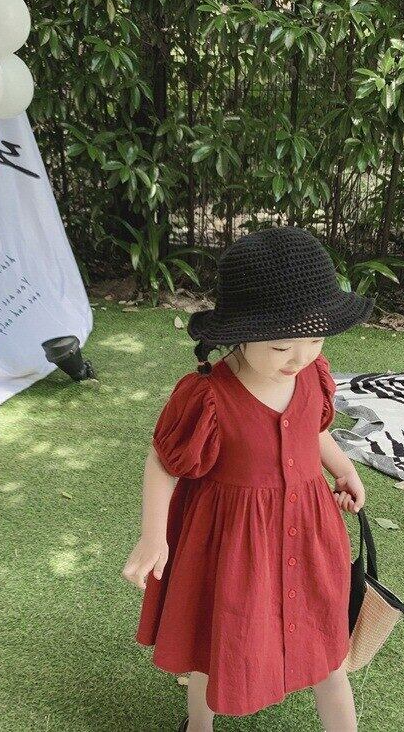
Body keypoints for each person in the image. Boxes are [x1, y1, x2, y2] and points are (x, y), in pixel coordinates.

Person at [122, 226, 375, 731]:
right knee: (216, 642)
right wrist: (153, 537)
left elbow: (313, 429)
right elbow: (164, 461)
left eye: (315, 338)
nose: (301, 357)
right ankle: (199, 724)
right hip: (233, 545)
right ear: (240, 331)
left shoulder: (312, 374)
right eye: (282, 346)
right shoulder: (209, 396)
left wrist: (342, 467)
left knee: (326, 642)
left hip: (310, 534)